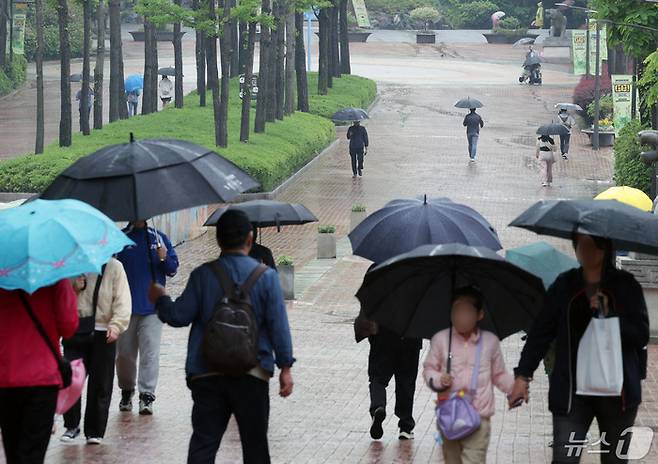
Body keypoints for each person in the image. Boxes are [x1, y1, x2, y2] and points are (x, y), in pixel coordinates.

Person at [148, 210, 295, 463]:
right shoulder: (267, 277)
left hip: (207, 373)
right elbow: (279, 325)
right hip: (253, 373)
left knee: (203, 446)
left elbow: (178, 316)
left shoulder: (203, 275)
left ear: (218, 240)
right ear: (250, 239)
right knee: (256, 447)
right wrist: (285, 367)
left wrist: (160, 298)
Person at [509, 234, 649, 463]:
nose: (586, 251)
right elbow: (541, 332)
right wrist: (523, 375)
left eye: (593, 246)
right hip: (572, 393)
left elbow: (640, 333)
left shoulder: (626, 286)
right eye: (581, 245)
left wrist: (609, 314)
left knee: (615, 460)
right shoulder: (565, 286)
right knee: (565, 458)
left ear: (606, 248)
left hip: (618, 394)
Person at [423, 287, 514, 464]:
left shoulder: (490, 342)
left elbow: (499, 374)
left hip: (479, 417)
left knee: (474, 460)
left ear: (479, 315)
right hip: (449, 416)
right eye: (457, 311)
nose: (461, 317)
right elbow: (429, 369)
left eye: (467, 312)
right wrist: (439, 379)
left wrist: (515, 387)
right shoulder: (441, 339)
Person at [0, 280, 78, 464]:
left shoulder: (3, 272)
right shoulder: (54, 275)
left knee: (14, 451)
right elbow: (68, 326)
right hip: (43, 378)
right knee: (32, 454)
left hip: (6, 375)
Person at [60, 258, 132, 445]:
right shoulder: (72, 265)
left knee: (101, 382)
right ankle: (71, 425)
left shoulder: (115, 267)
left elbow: (123, 300)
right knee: (71, 378)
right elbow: (60, 299)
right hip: (76, 328)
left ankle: (95, 430)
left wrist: (116, 325)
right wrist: (73, 289)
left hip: (104, 331)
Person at [116, 220, 179, 415]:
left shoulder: (158, 238)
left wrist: (164, 257)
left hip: (153, 308)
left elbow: (172, 269)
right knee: (124, 356)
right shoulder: (119, 239)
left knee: (150, 353)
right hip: (125, 308)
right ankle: (127, 391)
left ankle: (147, 395)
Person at [355, 264, 422, 441]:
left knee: (377, 378)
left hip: (383, 335)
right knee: (406, 381)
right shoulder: (420, 270)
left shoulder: (376, 269)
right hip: (411, 335)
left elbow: (366, 299)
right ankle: (405, 426)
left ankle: (378, 406)